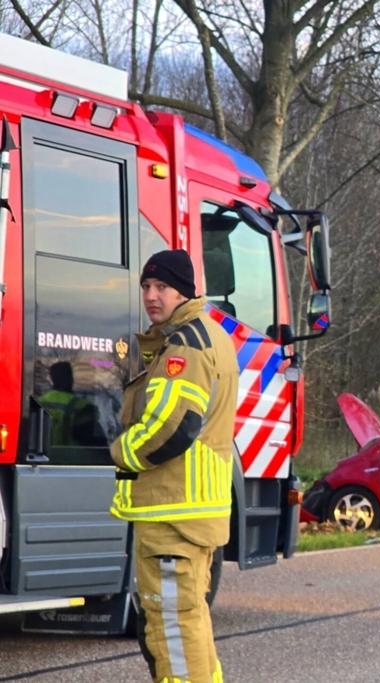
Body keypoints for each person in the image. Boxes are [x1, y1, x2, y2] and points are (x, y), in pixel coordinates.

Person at [109, 250, 239, 683]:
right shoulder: (211, 334)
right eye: (146, 286)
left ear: (183, 290)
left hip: (173, 512)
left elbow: (172, 427)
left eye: (161, 287)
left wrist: (119, 451)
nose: (151, 295)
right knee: (190, 621)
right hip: (192, 512)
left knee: (173, 630)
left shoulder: (185, 345)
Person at [38, 361, 101, 447]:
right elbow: (97, 444)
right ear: (70, 378)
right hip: (72, 455)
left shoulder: (39, 403)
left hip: (44, 455)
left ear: (52, 379)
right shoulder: (82, 407)